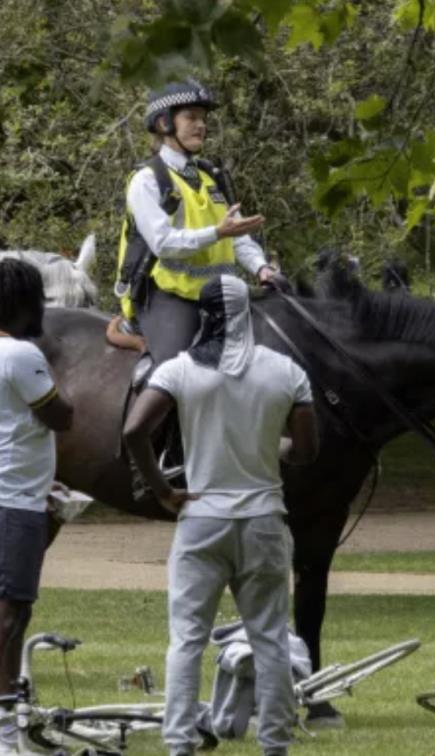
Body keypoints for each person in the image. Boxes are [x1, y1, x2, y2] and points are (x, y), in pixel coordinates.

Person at [123, 275, 319, 756]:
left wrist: (164, 490)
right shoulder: (286, 372)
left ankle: (180, 743)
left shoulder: (180, 369)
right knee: (270, 638)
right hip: (263, 520)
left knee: (187, 640)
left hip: (202, 518)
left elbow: (134, 431)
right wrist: (273, 447)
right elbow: (307, 451)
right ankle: (274, 743)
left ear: (204, 316)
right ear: (247, 314)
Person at [0, 258, 74, 756]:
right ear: (26, 303)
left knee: (13, 612)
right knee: (1, 613)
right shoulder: (21, 356)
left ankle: (4, 723)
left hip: (5, 494)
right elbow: (60, 417)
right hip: (5, 501)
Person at [115, 80, 282, 365]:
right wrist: (217, 233)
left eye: (203, 119)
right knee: (173, 373)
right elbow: (164, 243)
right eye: (191, 117)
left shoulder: (210, 179)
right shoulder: (146, 181)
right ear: (164, 122)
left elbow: (238, 237)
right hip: (168, 298)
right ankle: (141, 408)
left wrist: (262, 268)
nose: (201, 125)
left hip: (220, 296)